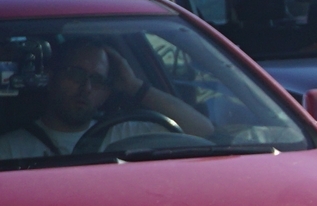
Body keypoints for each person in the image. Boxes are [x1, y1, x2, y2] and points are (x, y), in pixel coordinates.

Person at [0, 37, 212, 160]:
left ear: (109, 92)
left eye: (98, 80)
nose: (87, 88)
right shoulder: (10, 148)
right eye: (76, 75)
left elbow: (202, 131)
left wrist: (135, 87)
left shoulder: (127, 135)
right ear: (51, 77)